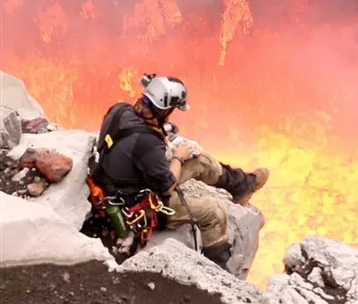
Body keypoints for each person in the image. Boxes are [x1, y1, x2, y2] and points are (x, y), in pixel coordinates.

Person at [90, 73, 269, 269]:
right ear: (164, 108)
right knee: (216, 213)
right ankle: (218, 271)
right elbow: (167, 187)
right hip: (138, 206)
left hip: (120, 182)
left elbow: (137, 145)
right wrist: (178, 157)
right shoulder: (147, 144)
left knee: (199, 159)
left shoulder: (120, 110)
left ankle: (242, 185)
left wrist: (165, 134)